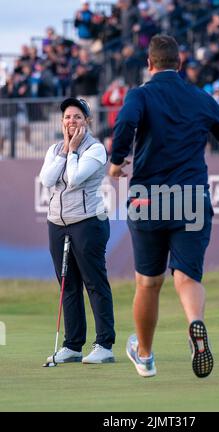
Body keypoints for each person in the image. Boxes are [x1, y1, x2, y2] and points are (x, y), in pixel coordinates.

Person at [109, 35, 219, 378]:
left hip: (149, 199)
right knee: (186, 276)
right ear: (179, 65)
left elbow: (125, 122)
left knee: (148, 283)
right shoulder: (198, 97)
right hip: (191, 198)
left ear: (150, 65)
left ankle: (146, 356)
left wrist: (116, 160)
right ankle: (195, 323)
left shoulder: (140, 93)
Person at [40, 97, 115, 365]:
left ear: (87, 121)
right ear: (62, 122)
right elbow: (48, 180)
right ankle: (73, 345)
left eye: (77, 117)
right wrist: (64, 151)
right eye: (68, 117)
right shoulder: (54, 150)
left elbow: (74, 179)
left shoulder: (95, 149)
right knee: (68, 285)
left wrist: (72, 150)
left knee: (94, 283)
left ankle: (104, 344)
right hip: (57, 223)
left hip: (88, 222)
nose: (72, 121)